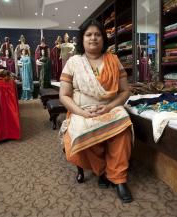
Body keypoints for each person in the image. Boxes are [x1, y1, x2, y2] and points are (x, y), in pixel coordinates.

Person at [59, 19, 133, 203]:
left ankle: (119, 179)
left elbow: (125, 91)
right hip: (81, 110)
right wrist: (81, 112)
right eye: (88, 34)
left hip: (110, 108)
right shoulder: (73, 62)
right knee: (81, 132)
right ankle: (102, 171)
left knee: (122, 128)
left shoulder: (113, 60)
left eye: (97, 34)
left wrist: (109, 107)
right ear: (82, 39)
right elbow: (64, 95)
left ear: (103, 38)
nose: (93, 38)